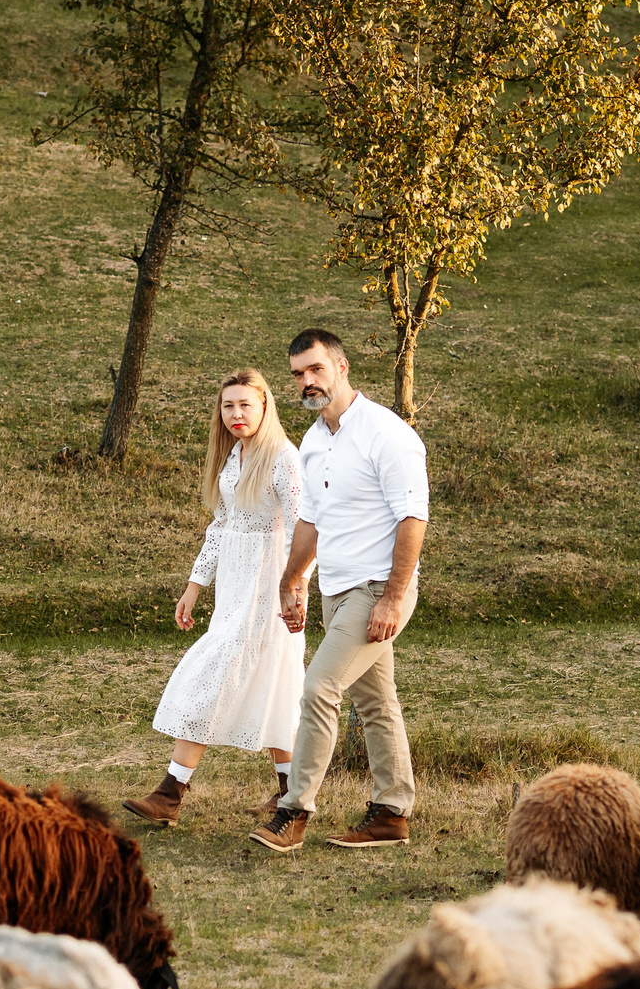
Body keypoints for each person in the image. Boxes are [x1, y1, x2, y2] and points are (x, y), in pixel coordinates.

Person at [249, 328, 428, 853]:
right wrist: (291, 579)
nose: (307, 382)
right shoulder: (315, 440)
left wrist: (394, 597)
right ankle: (392, 813)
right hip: (337, 589)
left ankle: (293, 812)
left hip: (378, 588)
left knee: (318, 690)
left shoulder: (387, 434)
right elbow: (311, 520)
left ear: (342, 368)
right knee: (376, 702)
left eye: (316, 370)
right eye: (298, 374)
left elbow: (413, 519)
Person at [122, 369, 308, 827]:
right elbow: (221, 528)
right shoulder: (233, 459)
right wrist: (194, 587)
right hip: (234, 588)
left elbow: (306, 528)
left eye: (245, 404)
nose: (236, 414)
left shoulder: (283, 457)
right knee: (272, 683)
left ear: (265, 406)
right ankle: (290, 791)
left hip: (271, 589)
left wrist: (294, 587)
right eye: (228, 406)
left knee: (214, 677)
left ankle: (170, 792)